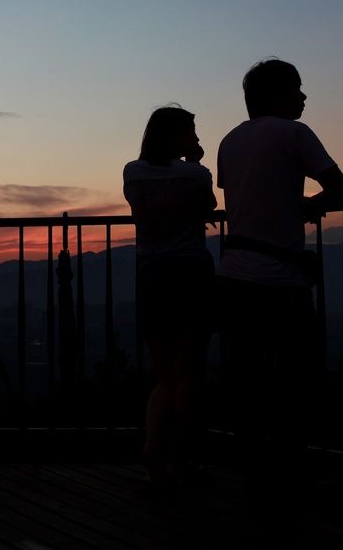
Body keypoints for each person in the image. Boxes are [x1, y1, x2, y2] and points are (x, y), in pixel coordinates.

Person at [215, 58, 343, 487]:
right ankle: (292, 473)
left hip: (234, 276)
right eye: (298, 89)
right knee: (295, 382)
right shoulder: (295, 133)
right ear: (278, 96)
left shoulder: (230, 140)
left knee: (247, 381)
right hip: (281, 281)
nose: (304, 97)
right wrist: (310, 204)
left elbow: (251, 196)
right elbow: (339, 189)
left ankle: (255, 473)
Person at [123, 105, 217, 485]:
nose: (194, 138)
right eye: (190, 131)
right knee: (188, 373)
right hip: (191, 272)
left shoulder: (132, 171)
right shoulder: (196, 173)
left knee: (164, 376)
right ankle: (180, 459)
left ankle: (152, 449)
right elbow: (207, 206)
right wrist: (196, 161)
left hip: (152, 273)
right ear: (175, 135)